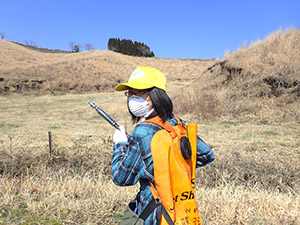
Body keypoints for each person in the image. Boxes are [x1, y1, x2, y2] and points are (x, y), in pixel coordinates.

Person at [112, 66, 214, 224]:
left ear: (155, 95)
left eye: (137, 93)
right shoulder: (177, 123)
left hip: (153, 213)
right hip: (181, 208)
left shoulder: (142, 132)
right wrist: (174, 169)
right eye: (129, 93)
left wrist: (120, 145)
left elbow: (121, 178)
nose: (131, 98)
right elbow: (205, 155)